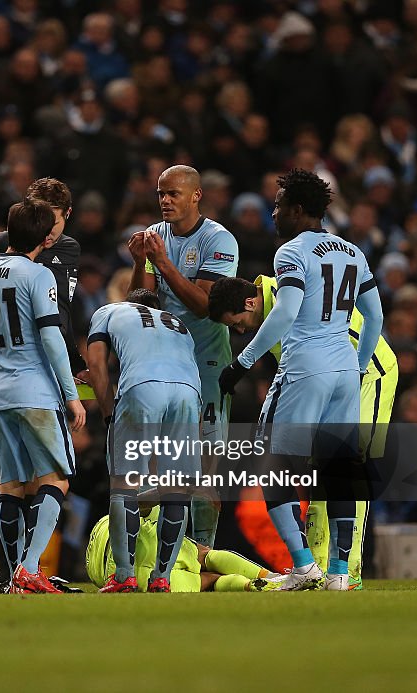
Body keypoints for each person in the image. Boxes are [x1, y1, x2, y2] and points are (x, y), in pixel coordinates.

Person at [216, 169, 383, 591]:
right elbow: (376, 318)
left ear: (295, 209)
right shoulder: (352, 251)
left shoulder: (291, 252)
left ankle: (305, 565)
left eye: (277, 205)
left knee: (271, 470)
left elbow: (287, 312)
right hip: (345, 370)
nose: (273, 213)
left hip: (305, 368)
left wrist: (243, 362)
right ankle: (340, 574)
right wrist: (357, 366)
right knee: (340, 469)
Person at [208, 274, 399, 589]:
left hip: (369, 373)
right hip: (335, 378)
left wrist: (241, 369)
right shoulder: (276, 302)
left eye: (237, 322)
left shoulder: (287, 298)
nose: (240, 330)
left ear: (249, 302)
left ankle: (347, 571)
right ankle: (320, 567)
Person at [0, 198, 86, 594]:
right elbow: (51, 337)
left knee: (10, 483)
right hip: (36, 390)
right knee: (58, 477)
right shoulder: (38, 275)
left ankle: (7, 577)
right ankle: (29, 569)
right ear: (43, 235)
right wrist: (72, 394)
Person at [128, 165, 239, 549]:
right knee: (165, 463)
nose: (164, 201)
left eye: (173, 193)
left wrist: (162, 263)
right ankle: (171, 556)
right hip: (166, 363)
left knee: (207, 466)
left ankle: (204, 548)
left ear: (196, 196)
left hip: (207, 362)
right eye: (160, 193)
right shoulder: (155, 236)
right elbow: (142, 303)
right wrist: (140, 262)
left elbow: (208, 305)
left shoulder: (219, 240)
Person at [86, 288, 202, 593]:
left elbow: (97, 365)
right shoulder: (178, 322)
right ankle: (162, 578)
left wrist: (109, 413)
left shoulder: (109, 311)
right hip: (189, 392)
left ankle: (125, 575)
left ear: (128, 302)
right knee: (178, 489)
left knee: (124, 486)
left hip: (142, 387)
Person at [86, 505, 277, 593]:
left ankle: (246, 585)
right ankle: (271, 578)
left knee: (210, 581)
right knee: (207, 556)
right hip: (144, 542)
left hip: (114, 571)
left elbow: (129, 506)